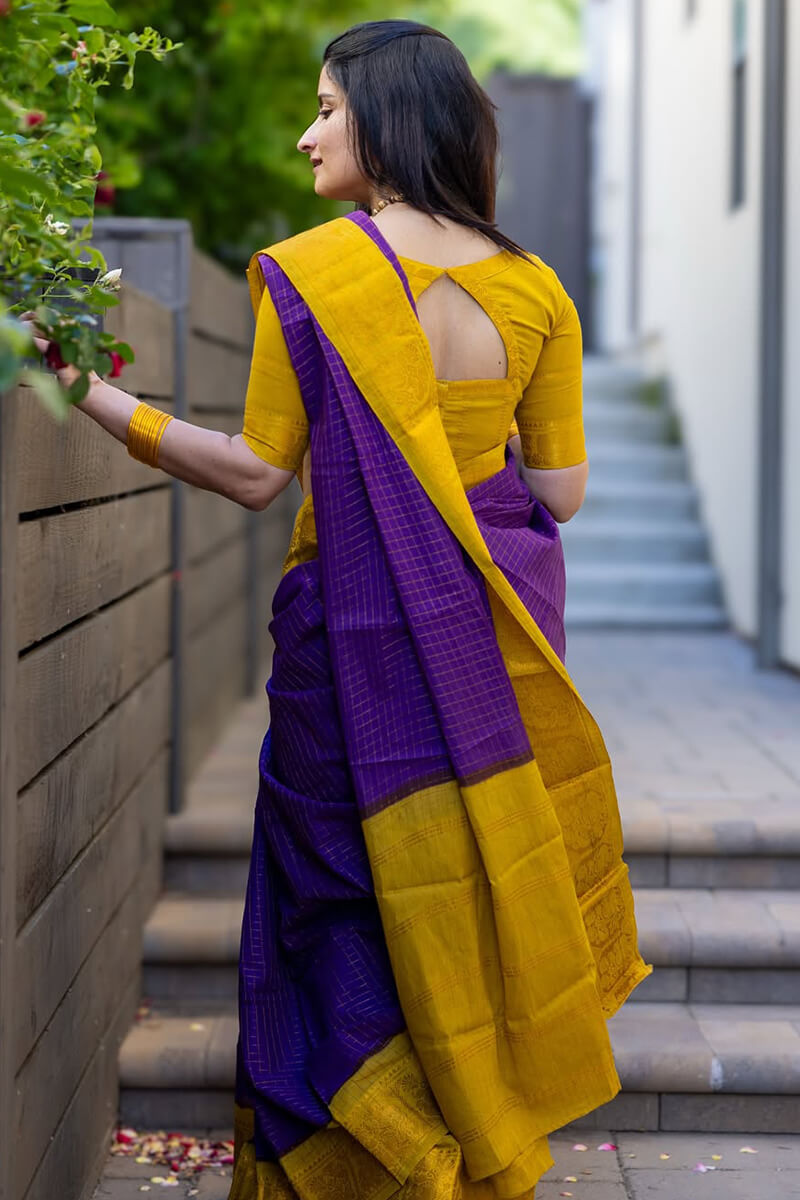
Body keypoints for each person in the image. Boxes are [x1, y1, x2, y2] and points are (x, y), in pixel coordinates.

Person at [23, 19, 652, 1199]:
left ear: (386, 119)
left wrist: (100, 396)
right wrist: (461, 491)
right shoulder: (537, 292)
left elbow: (259, 472)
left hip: (344, 649)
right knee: (461, 898)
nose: (306, 133)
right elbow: (558, 492)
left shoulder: (312, 275)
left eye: (325, 108)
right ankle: (462, 1137)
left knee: (337, 900)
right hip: (486, 663)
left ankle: (370, 1157)